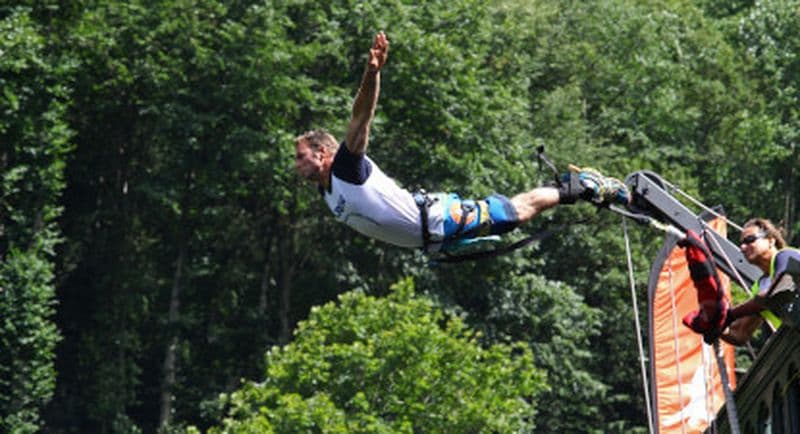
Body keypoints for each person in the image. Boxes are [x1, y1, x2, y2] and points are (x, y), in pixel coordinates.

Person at [294, 32, 630, 254]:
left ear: (323, 152)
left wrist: (372, 73)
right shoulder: (327, 192)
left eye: (301, 157)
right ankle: (576, 188)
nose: (297, 165)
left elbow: (360, 118)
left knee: (515, 213)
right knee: (513, 217)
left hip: (441, 220)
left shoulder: (345, 167)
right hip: (436, 240)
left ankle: (580, 186)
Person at [721, 218, 800, 345]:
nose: (742, 247)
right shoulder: (759, 287)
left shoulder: (786, 255)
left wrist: (731, 314)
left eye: (749, 240)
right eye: (741, 244)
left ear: (770, 240)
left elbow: (779, 291)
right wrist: (715, 326)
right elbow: (740, 334)